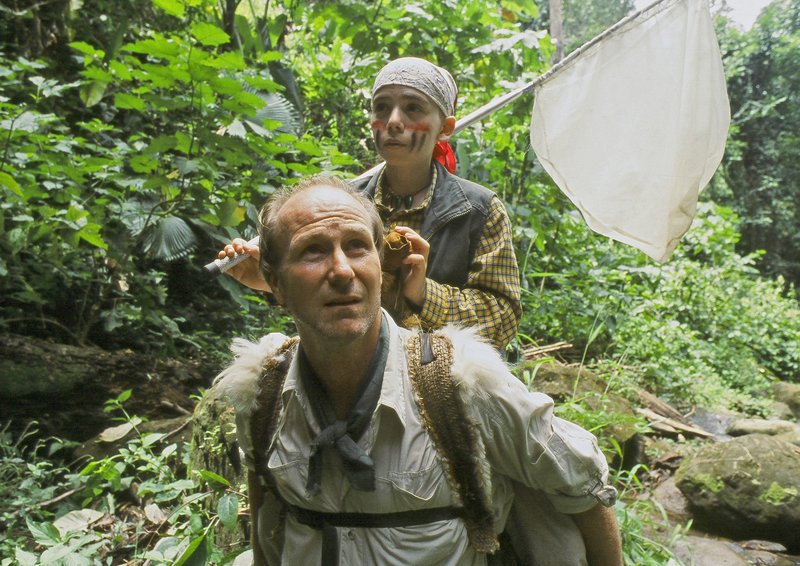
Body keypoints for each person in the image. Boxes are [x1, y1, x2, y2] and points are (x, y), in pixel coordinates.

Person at [214, 176, 623, 566]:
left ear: (379, 267)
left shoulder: (461, 382)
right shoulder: (263, 392)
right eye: (313, 251)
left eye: (357, 247)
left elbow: (582, 484)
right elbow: (268, 519)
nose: (342, 271)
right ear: (275, 284)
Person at [218, 57, 521, 351]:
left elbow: (503, 319)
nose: (393, 121)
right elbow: (333, 296)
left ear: (445, 127)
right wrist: (277, 281)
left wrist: (423, 293)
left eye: (413, 108)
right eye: (382, 107)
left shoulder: (480, 210)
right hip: (350, 371)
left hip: (444, 372)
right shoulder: (341, 206)